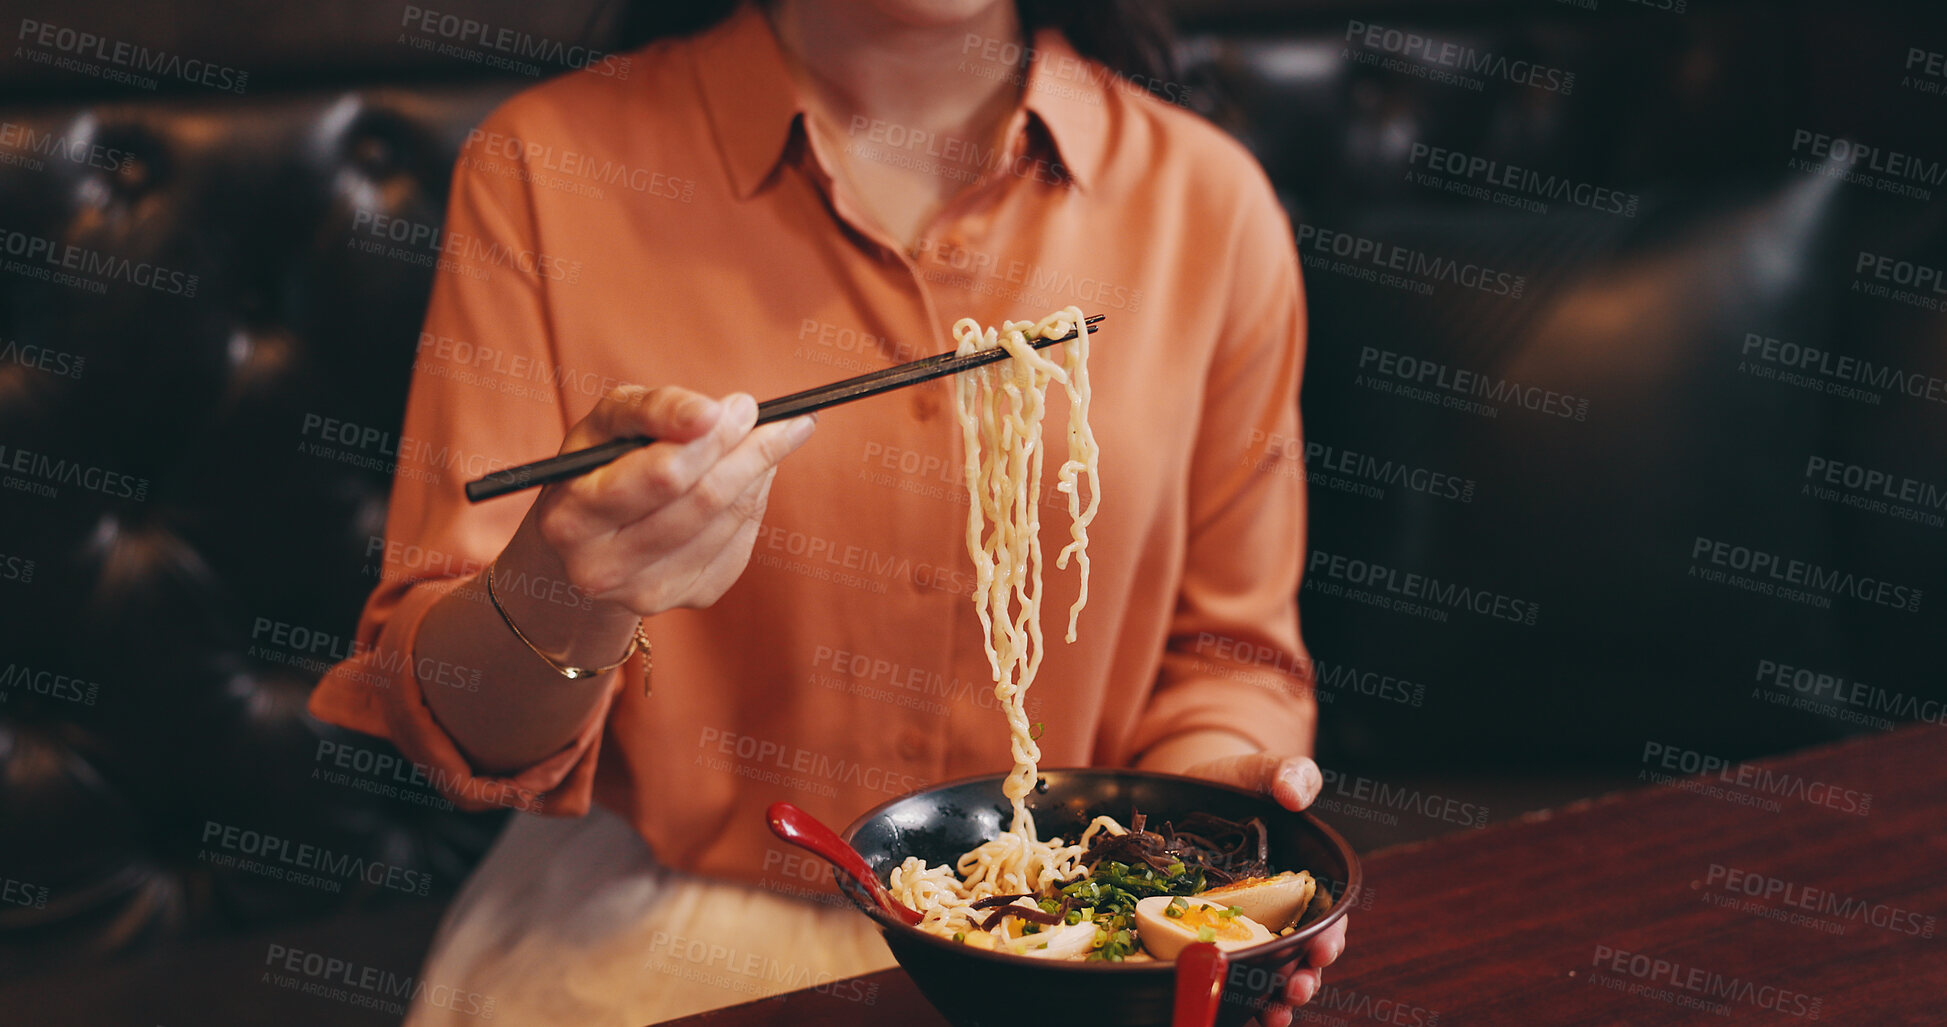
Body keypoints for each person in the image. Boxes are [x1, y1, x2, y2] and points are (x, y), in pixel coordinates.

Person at [310, 0, 1347, 1023]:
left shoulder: (1208, 202)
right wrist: (565, 591)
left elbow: (1227, 659)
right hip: (654, 931)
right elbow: (452, 725)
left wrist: (1200, 848)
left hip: (1070, 942)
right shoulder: (548, 164)